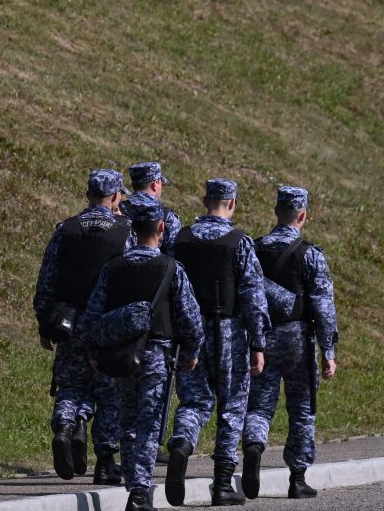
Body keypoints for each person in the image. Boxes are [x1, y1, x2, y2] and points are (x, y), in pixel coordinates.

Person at [77, 193, 204, 511]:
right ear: (162, 227)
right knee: (149, 423)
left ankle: (136, 486)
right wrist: (191, 351)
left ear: (132, 228)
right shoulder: (172, 269)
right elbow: (189, 317)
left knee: (128, 422)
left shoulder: (113, 268)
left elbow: (92, 315)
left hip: (122, 357)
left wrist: (94, 350)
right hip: (156, 357)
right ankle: (140, 491)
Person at [166, 179, 268, 506]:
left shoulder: (179, 239)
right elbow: (253, 296)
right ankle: (222, 482)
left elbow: (167, 287)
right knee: (233, 405)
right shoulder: (239, 243)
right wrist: (259, 343)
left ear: (204, 199)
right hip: (230, 333)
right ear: (232, 203)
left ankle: (181, 444)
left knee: (193, 402)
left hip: (188, 333)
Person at [35, 169, 131, 483]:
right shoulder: (124, 230)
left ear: (86, 194)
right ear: (116, 197)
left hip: (69, 323)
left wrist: (43, 323)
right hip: (108, 325)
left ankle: (65, 427)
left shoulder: (66, 230)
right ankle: (105, 462)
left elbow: (47, 280)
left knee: (71, 385)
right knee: (108, 393)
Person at [243, 186, 339, 500]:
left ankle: (254, 447)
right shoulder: (310, 254)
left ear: (276, 212)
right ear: (303, 215)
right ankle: (297, 477)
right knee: (302, 408)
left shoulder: (255, 248)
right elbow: (324, 306)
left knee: (259, 406)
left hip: (263, 337)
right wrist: (328, 350)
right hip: (298, 338)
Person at [127, 160, 183, 255]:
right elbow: (174, 256)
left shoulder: (117, 210)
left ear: (133, 185)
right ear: (155, 184)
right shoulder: (168, 217)